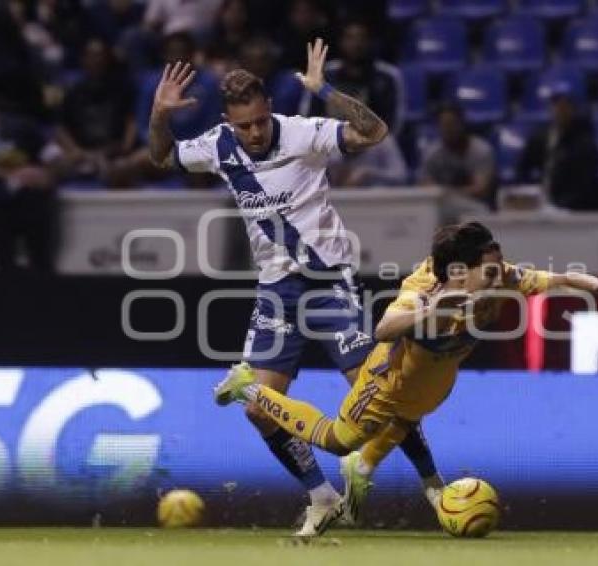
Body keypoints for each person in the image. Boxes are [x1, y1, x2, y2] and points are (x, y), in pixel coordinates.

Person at [147, 38, 443, 537]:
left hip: (329, 282)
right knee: (260, 409)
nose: (256, 132)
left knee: (378, 393)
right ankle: (321, 496)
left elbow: (374, 131)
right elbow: (161, 158)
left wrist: (324, 88)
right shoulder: (217, 146)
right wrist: (159, 114)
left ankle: (433, 486)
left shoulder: (304, 133)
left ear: (270, 110)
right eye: (244, 125)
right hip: (276, 291)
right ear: (228, 121)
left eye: (261, 120)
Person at [214, 221, 598, 534]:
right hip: (388, 381)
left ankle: (360, 471)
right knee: (337, 438)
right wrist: (432, 313)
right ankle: (245, 385)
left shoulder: (500, 275)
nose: (501, 277)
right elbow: (382, 329)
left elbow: (560, 278)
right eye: (489, 272)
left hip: (434, 383)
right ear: (458, 272)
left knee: (403, 423)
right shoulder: (425, 291)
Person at [0, 97, 58, 273]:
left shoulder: (24, 126)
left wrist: (47, 175)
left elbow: (54, 157)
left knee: (41, 262)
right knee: (5, 263)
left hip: (32, 201)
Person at [300, 18, 404, 136]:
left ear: (370, 42)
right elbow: (308, 117)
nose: (356, 44)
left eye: (361, 38)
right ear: (341, 42)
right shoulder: (325, 74)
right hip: (330, 144)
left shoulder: (387, 77)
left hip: (373, 145)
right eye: (350, 38)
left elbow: (393, 123)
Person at [55, 37, 137, 186]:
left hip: (113, 153)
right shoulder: (73, 91)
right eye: (91, 55)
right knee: (55, 165)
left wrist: (125, 147)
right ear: (83, 59)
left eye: (100, 55)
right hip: (80, 153)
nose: (96, 60)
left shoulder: (123, 89)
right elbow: (61, 128)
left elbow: (131, 122)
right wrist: (75, 151)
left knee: (123, 169)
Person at [516, 86, 598, 211]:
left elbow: (585, 183)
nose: (560, 110)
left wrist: (561, 205)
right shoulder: (542, 136)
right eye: (556, 105)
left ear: (573, 110)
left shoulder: (584, 142)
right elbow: (523, 168)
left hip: (574, 208)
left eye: (565, 106)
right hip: (543, 205)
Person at [419, 103, 496, 220]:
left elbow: (480, 190)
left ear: (462, 124)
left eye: (452, 124)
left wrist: (447, 192)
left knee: (480, 212)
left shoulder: (480, 150)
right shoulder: (432, 153)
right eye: (444, 125)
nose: (448, 129)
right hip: (442, 205)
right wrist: (443, 194)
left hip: (474, 204)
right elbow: (426, 187)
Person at [327, 135, 408, 187]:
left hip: (383, 200)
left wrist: (368, 173)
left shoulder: (384, 142)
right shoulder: (335, 146)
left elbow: (401, 175)